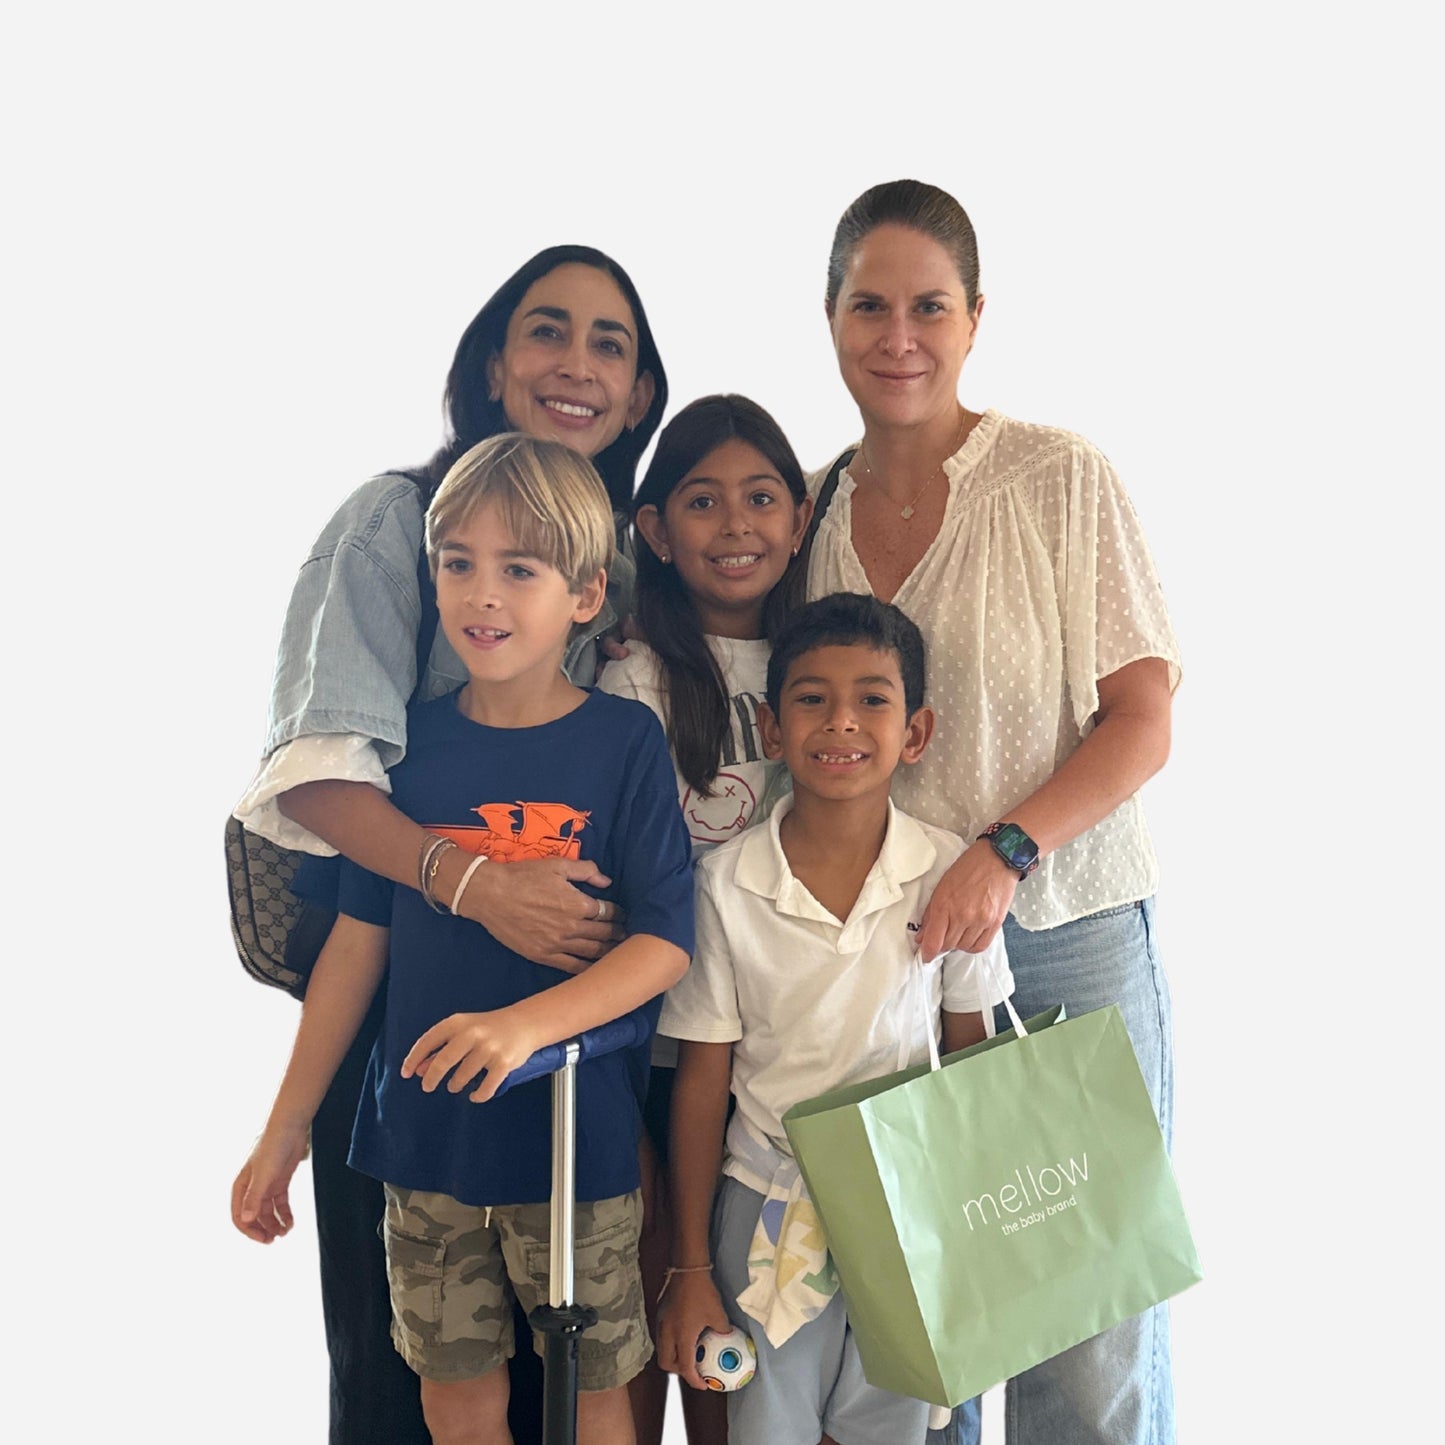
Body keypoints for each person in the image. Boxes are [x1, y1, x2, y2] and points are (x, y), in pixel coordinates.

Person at [231, 245, 669, 1445]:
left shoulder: (623, 591)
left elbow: (659, 924)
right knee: (407, 1383)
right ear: (490, 362)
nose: (575, 362)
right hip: (411, 1049)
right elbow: (322, 789)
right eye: (546, 329)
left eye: (609, 342)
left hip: (568, 1075)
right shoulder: (390, 525)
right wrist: (477, 885)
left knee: (571, 1388)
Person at [807, 179, 1182, 1445]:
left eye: (928, 306)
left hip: (1064, 936)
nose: (897, 336)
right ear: (828, 315)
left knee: (1087, 1329)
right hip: (889, 971)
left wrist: (1003, 850)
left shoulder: (1057, 478)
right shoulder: (803, 510)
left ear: (974, 318)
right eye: (869, 305)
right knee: (932, 1338)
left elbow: (1141, 718)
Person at [654, 592, 1016, 1445]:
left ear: (915, 732)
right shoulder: (723, 885)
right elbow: (702, 1083)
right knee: (766, 1425)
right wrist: (690, 1261)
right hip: (764, 1204)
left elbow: (974, 1060)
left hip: (911, 1207)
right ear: (771, 729)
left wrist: (975, 1234)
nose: (840, 721)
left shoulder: (946, 873)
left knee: (888, 1426)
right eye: (811, 698)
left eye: (871, 699)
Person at [596, 393, 814, 1445]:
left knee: (757, 1314)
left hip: (782, 1046)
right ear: (653, 529)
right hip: (658, 1044)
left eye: (761, 497)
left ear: (801, 518)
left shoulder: (823, 669)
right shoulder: (633, 678)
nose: (735, 524)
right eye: (702, 501)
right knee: (656, 1291)